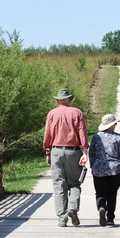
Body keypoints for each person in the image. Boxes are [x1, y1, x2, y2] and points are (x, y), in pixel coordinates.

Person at [43, 88, 89, 227]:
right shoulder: (77, 112)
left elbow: (47, 135)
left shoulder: (52, 113)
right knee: (75, 183)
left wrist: (47, 151)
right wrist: (85, 152)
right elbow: (82, 133)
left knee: (59, 185)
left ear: (57, 100)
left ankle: (62, 219)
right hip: (74, 152)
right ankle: (73, 208)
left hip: (56, 151)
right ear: (69, 99)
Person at [88, 114, 120, 227]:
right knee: (112, 193)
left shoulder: (96, 137)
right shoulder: (118, 137)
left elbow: (91, 152)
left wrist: (92, 166)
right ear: (113, 124)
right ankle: (110, 219)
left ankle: (102, 207)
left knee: (100, 192)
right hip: (115, 169)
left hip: (99, 169)